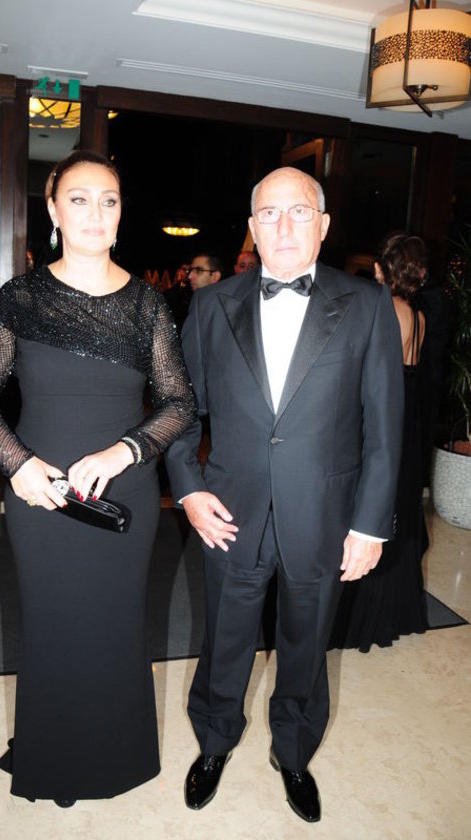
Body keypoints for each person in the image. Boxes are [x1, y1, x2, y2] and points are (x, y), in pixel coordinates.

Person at [0, 150, 196, 807]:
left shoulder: (146, 303)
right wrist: (18, 463)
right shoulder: (22, 297)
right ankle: (55, 760)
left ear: (120, 215)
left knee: (115, 624)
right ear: (54, 210)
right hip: (40, 496)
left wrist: (125, 451)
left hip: (124, 495)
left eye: (109, 201)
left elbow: (180, 403)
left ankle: (116, 756)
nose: (96, 213)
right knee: (53, 624)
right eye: (80, 199)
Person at [164, 166, 404, 823]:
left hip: (325, 515)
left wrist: (370, 526)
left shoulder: (367, 305)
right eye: (268, 214)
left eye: (299, 212)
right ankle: (214, 743)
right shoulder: (211, 306)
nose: (284, 226)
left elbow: (385, 427)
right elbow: (180, 411)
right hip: (229, 511)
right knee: (225, 638)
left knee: (307, 642)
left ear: (323, 225)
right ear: (252, 228)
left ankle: (294, 753)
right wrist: (188, 490)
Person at [330, 233, 429, 652]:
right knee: (398, 506)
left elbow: (376, 378)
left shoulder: (385, 308)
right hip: (409, 419)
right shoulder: (418, 315)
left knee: (370, 507)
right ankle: (393, 611)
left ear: (380, 269)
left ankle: (357, 618)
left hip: (385, 416)